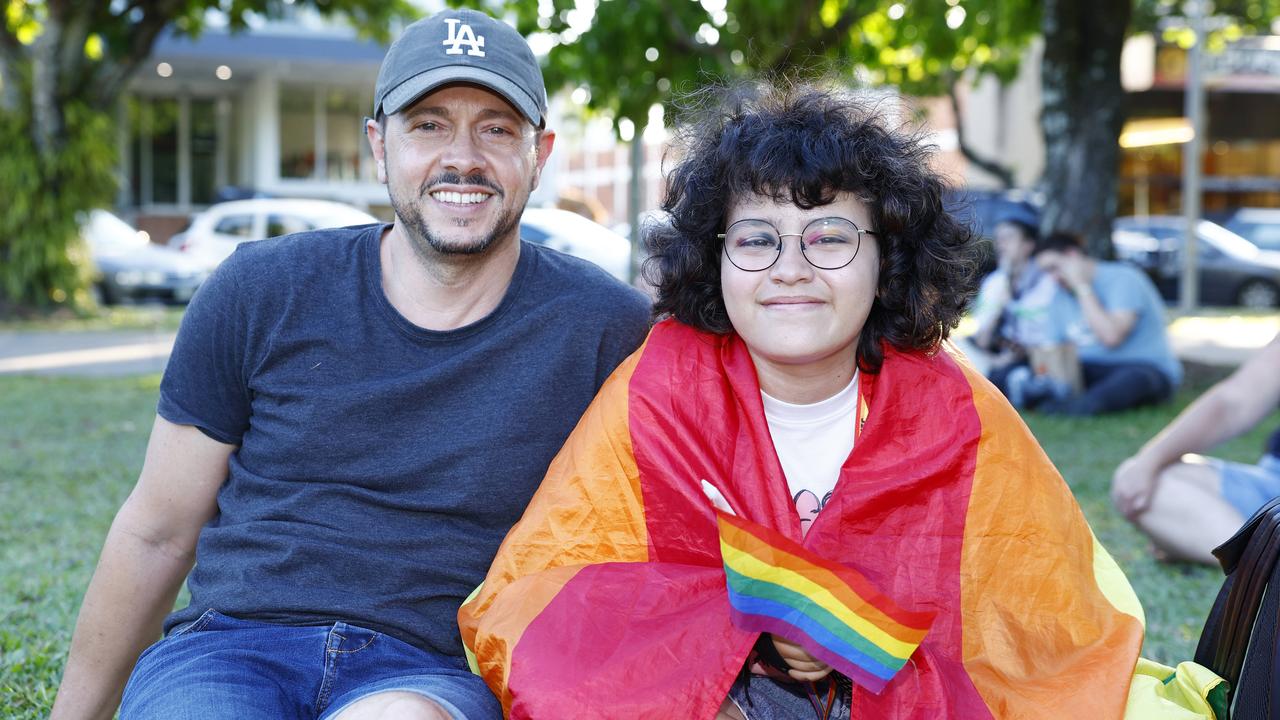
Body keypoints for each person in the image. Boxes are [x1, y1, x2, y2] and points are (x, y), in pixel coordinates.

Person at [458, 81, 1146, 719]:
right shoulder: (657, 390)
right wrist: (765, 628)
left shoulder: (957, 409)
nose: (791, 269)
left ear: (887, 263)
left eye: (830, 238)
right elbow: (552, 593)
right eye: (757, 239)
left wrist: (852, 634)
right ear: (716, 261)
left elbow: (1046, 624)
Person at [50, 9, 650, 720]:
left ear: (540, 152)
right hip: (229, 650)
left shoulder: (605, 328)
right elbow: (156, 530)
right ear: (378, 144)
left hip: (430, 671)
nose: (463, 157)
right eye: (427, 124)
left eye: (496, 126)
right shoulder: (260, 290)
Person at [1113, 332, 1280, 565]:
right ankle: (1260, 562)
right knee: (1145, 482)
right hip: (1272, 487)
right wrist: (1148, 461)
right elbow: (1233, 403)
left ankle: (1246, 557)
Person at [1030, 231, 1181, 415]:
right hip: (1089, 369)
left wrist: (1080, 286)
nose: (1053, 278)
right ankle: (1060, 401)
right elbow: (1055, 347)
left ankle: (1078, 407)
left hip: (1142, 368)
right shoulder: (1058, 295)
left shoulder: (1124, 278)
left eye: (1054, 268)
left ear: (1073, 256)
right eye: (1046, 272)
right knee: (1027, 370)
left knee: (1132, 380)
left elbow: (1111, 337)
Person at [962, 215, 1056, 389]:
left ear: (1028, 245)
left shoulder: (1046, 281)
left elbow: (1048, 334)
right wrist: (998, 305)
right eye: (998, 239)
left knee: (1010, 374)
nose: (1001, 245)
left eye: (1009, 238)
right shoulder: (995, 282)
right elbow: (982, 339)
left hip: (1034, 355)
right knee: (956, 348)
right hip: (997, 352)